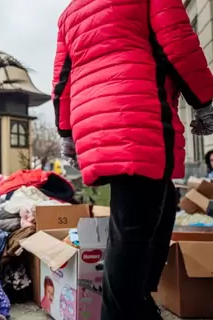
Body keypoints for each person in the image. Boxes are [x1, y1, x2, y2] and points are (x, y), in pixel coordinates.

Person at [53, 0, 213, 318]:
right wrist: (204, 100)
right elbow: (179, 45)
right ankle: (122, 309)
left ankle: (138, 300)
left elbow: (62, 78)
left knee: (157, 208)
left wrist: (66, 132)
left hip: (95, 121)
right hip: (139, 114)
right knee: (134, 227)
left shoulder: (71, 12)